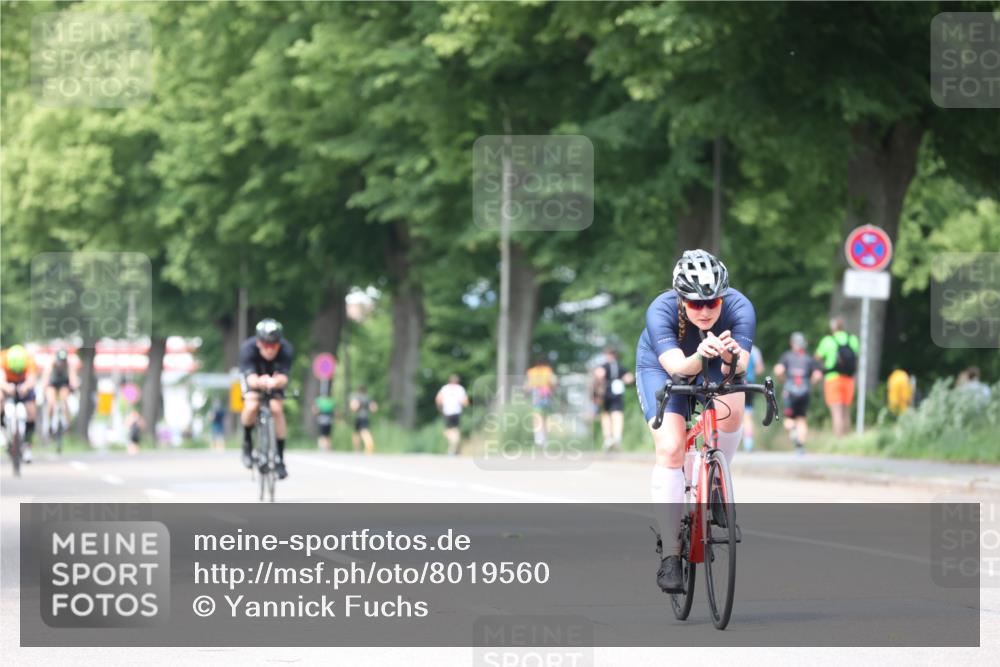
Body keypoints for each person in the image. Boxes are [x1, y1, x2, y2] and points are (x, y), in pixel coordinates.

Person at [634, 249, 754, 594]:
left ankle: (717, 484)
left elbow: (738, 367)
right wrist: (700, 355)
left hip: (716, 358)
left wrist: (730, 357)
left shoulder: (740, 308)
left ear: (724, 297)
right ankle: (671, 554)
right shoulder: (660, 310)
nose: (704, 310)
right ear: (680, 298)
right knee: (671, 449)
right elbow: (676, 368)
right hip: (665, 365)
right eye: (694, 304)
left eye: (712, 302)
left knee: (734, 403)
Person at [239, 318, 294, 479]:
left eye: (274, 346)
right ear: (258, 343)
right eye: (266, 346)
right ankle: (247, 442)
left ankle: (280, 459)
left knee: (277, 408)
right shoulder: (247, 349)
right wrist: (260, 382)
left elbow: (284, 377)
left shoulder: (286, 350)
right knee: (251, 405)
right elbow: (250, 379)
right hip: (254, 377)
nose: (270, 350)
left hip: (274, 379)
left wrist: (275, 382)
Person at [773, 332, 823, 455]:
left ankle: (794, 433)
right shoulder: (808, 358)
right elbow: (817, 375)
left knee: (789, 420)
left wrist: (784, 381)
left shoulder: (787, 356)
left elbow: (778, 370)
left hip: (790, 391)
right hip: (805, 391)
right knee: (802, 419)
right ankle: (800, 447)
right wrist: (811, 385)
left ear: (792, 343)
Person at [815, 316, 860, 437]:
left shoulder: (828, 340)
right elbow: (856, 354)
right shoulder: (852, 339)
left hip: (833, 379)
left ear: (833, 327)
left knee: (836, 412)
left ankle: (839, 439)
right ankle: (847, 441)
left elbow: (817, 356)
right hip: (849, 379)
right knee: (846, 412)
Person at [0, 345, 39, 463]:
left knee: (31, 412)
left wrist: (25, 387)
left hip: (24, 383)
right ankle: (3, 432)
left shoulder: (29, 361)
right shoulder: (3, 359)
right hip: (7, 382)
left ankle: (27, 446)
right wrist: (7, 388)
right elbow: (1, 380)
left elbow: (32, 380)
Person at [599, 347, 634, 452]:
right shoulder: (621, 367)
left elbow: (599, 375)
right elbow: (629, 378)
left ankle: (609, 438)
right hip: (617, 392)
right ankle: (616, 438)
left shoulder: (603, 366)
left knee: (606, 414)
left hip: (606, 392)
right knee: (617, 414)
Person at [42, 347, 77, 439]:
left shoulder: (68, 366)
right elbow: (46, 377)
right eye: (60, 361)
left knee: (65, 400)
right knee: (51, 403)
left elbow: (73, 378)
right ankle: (49, 424)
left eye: (63, 361)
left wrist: (74, 386)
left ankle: (67, 424)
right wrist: (44, 386)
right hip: (52, 384)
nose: (61, 363)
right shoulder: (51, 364)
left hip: (63, 384)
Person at [525, 357, 557, 447]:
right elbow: (553, 383)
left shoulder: (531, 372)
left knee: (537, 417)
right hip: (546, 395)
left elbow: (527, 386)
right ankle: (545, 439)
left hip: (536, 396)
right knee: (546, 418)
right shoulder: (548, 371)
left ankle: (538, 438)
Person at [436, 374, 469, 455]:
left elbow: (438, 399)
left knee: (449, 430)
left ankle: (453, 446)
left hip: (447, 412)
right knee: (454, 430)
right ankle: (454, 445)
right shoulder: (460, 389)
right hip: (456, 412)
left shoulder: (445, 388)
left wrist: (440, 408)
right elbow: (465, 402)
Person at [741, 344, 765, 452]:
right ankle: (748, 444)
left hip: (733, 383)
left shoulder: (730, 345)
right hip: (749, 384)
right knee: (748, 415)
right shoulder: (754, 350)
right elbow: (760, 369)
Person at [350, 386, 377, 455]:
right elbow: (374, 408)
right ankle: (365, 446)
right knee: (361, 431)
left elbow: (354, 407)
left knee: (360, 432)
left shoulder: (357, 397)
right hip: (366, 416)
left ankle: (359, 448)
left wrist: (355, 408)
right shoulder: (368, 398)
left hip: (359, 416)